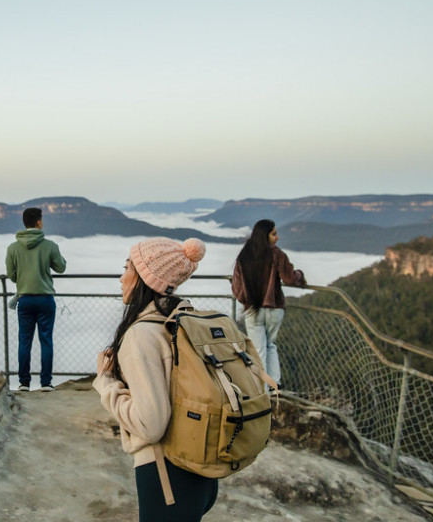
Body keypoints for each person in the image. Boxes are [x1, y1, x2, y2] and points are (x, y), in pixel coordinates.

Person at [94, 237, 215, 522]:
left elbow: (150, 426)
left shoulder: (141, 335)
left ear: (145, 279)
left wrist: (106, 383)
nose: (121, 278)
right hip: (199, 466)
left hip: (166, 474)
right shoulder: (182, 319)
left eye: (127, 268)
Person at [231, 219, 307, 386]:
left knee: (258, 351)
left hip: (253, 309)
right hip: (274, 308)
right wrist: (300, 275)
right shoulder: (277, 254)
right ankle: (275, 386)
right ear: (265, 235)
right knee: (271, 346)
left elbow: (236, 287)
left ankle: (262, 390)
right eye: (274, 234)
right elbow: (289, 278)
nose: (277, 237)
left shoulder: (244, 255)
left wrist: (246, 300)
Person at [5, 207, 67, 391]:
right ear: (39, 222)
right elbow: (61, 267)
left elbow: (12, 275)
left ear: (25, 223)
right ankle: (46, 383)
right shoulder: (50, 245)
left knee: (24, 342)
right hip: (45, 299)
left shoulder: (13, 248)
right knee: (46, 340)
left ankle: (24, 383)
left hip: (25, 300)